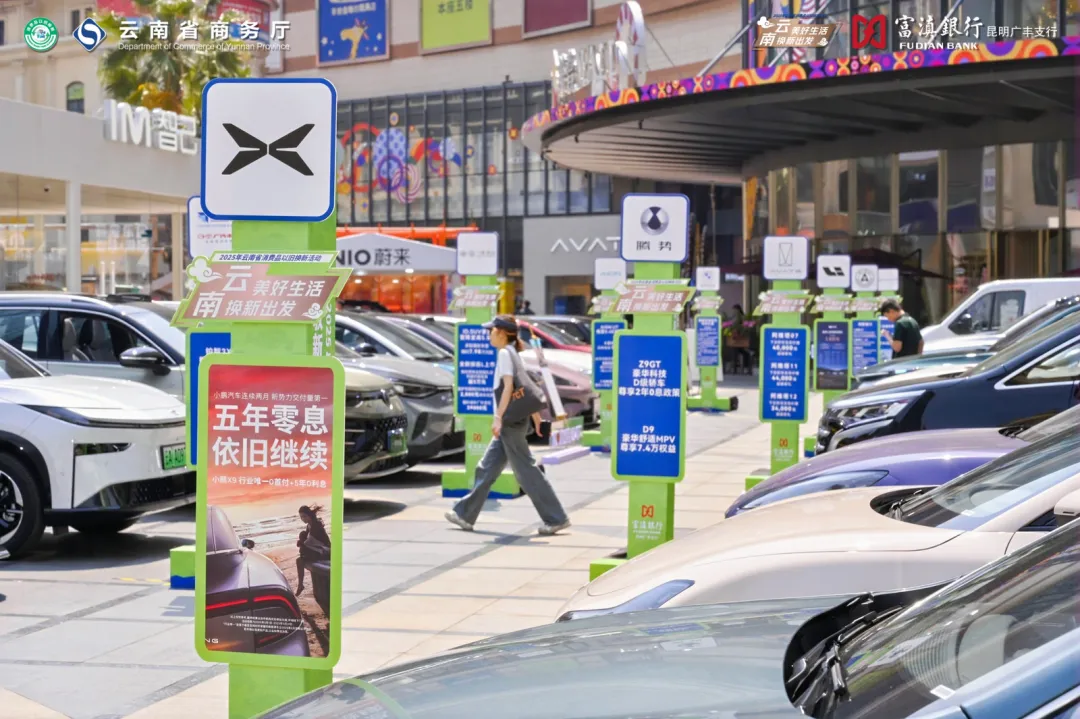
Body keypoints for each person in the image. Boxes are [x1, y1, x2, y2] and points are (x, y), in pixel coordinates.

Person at [446, 315, 570, 535]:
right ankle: (464, 514)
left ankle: (556, 518)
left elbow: (509, 387)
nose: (489, 335)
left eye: (491, 331)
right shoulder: (513, 352)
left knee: (526, 472)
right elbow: (525, 388)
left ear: (502, 332)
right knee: (486, 468)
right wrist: (535, 417)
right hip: (512, 420)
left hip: (510, 422)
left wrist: (498, 417)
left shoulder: (505, 353)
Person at [295, 504, 331, 596]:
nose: (303, 519)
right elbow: (306, 541)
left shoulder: (316, 525)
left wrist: (301, 543)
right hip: (317, 549)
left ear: (309, 515)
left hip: (325, 551)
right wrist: (301, 543)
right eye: (301, 517)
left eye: (304, 516)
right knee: (299, 560)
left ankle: (300, 585)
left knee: (302, 553)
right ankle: (300, 585)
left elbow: (308, 541)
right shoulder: (309, 526)